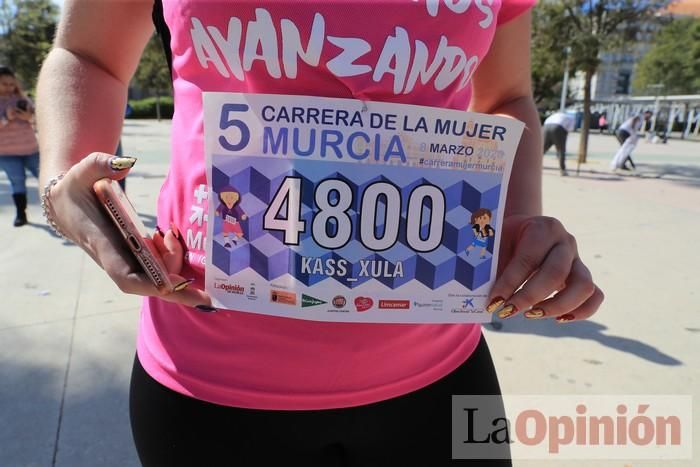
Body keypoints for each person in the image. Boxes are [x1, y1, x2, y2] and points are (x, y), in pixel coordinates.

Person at [36, 1, 604, 465]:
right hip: (207, 377)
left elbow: (506, 96)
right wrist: (64, 180)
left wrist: (516, 225)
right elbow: (88, 55)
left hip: (443, 371)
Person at [0, 66, 40, 227]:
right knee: (17, 182)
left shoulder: (22, 98)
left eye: (11, 83)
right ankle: (21, 214)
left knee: (47, 178)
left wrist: (29, 117)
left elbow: (37, 120)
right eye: (4, 84)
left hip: (31, 149)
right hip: (7, 153)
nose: (9, 87)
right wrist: (6, 118)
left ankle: (61, 213)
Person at [542, 111, 575, 176]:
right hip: (558, 128)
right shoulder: (571, 117)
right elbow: (570, 129)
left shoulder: (553, 116)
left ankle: (534, 165)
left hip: (546, 127)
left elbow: (545, 122)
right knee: (561, 150)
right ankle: (562, 170)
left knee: (542, 149)